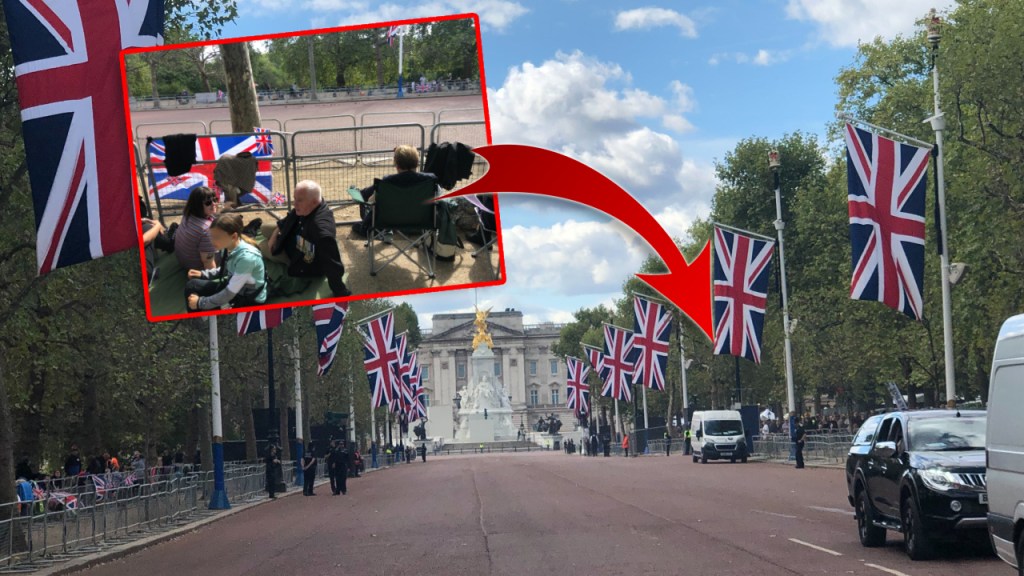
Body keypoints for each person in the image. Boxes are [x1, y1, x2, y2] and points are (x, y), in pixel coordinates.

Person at [265, 180, 351, 297]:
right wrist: (275, 235)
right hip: (294, 236)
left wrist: (340, 291)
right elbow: (290, 217)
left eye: (299, 200)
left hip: (300, 257)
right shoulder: (311, 205)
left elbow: (331, 263)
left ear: (314, 202)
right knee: (263, 228)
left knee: (262, 247)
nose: (294, 204)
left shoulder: (320, 231)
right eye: (294, 198)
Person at [185, 213, 267, 311]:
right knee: (192, 285)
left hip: (248, 299)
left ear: (234, 236)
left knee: (198, 302)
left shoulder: (247, 258)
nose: (212, 241)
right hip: (236, 288)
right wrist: (204, 274)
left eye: (217, 237)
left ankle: (199, 319)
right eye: (211, 236)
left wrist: (200, 303)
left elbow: (229, 293)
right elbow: (227, 268)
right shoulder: (228, 246)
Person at [351, 145, 438, 238]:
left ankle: (358, 194)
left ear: (397, 165)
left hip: (390, 222)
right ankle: (361, 193)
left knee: (373, 197)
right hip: (420, 224)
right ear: (417, 163)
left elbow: (371, 201)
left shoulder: (387, 181)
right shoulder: (430, 180)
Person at [174, 186, 220, 272]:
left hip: (185, 262)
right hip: (197, 269)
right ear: (197, 205)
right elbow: (208, 263)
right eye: (208, 202)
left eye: (215, 199)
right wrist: (214, 280)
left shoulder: (188, 215)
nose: (214, 204)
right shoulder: (207, 230)